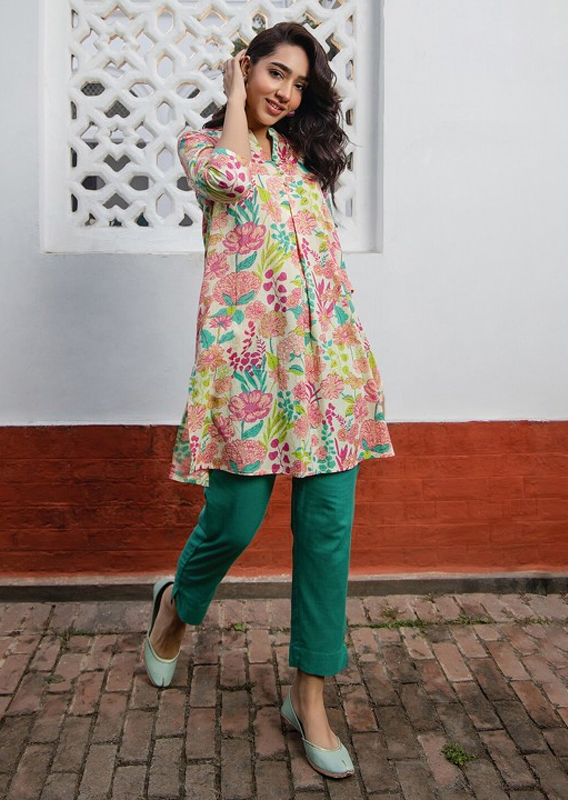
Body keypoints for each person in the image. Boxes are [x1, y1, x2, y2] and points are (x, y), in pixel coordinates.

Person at [144, 21, 394, 780]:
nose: (284, 93)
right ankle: (175, 608)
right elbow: (231, 178)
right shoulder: (203, 148)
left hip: (329, 371)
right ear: (245, 68)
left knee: (326, 534)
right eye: (274, 73)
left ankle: (308, 697)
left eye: (299, 84)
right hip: (248, 375)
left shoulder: (304, 162)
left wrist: (352, 362)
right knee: (233, 521)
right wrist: (231, 98)